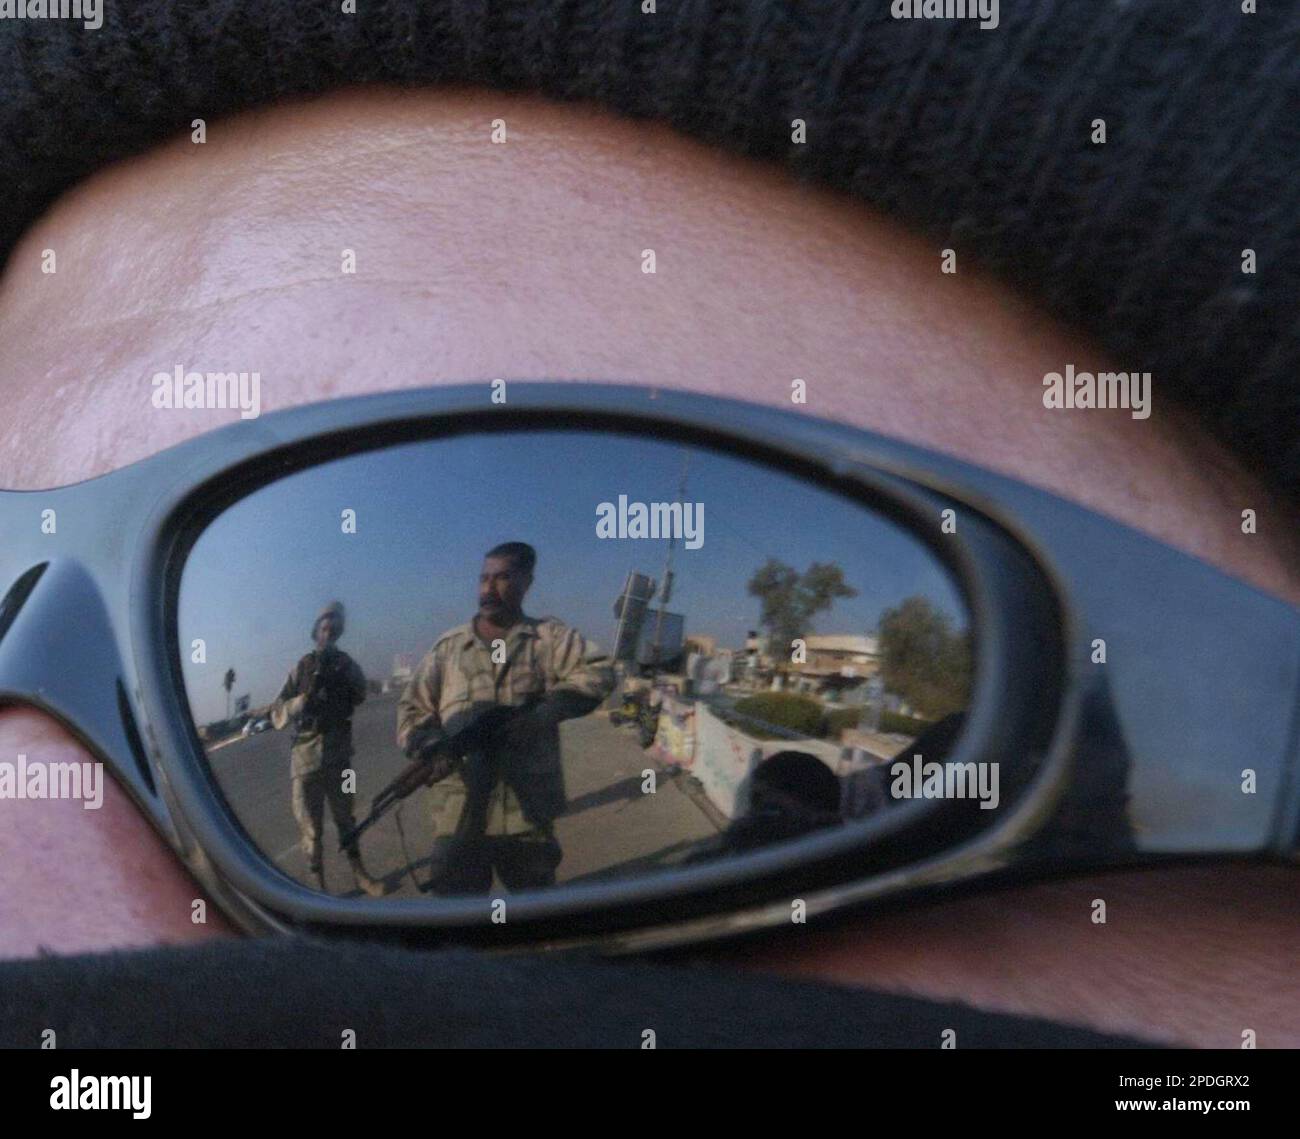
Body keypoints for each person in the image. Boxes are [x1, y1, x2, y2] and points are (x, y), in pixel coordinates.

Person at [0, 9, 1297, 1047]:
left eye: (526, 540)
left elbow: (605, 692)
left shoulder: (562, 641)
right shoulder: (440, 648)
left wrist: (524, 721)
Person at [397, 543, 614, 893]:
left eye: (501, 578)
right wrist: (432, 745)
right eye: (483, 578)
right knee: (458, 920)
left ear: (526, 582)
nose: (487, 589)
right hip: (459, 813)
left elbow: (600, 670)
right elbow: (412, 709)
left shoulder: (548, 639)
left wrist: (544, 714)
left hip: (525, 813)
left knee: (536, 914)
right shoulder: (448, 648)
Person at [269, 601, 385, 897]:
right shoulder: (301, 667)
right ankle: (320, 892)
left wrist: (345, 676)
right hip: (305, 761)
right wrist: (300, 703)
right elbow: (276, 712)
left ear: (339, 632)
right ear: (316, 631)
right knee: (311, 829)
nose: (328, 632)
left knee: (347, 818)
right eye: (323, 626)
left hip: (340, 758)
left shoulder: (346, 664)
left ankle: (361, 876)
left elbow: (361, 693)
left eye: (334, 627)